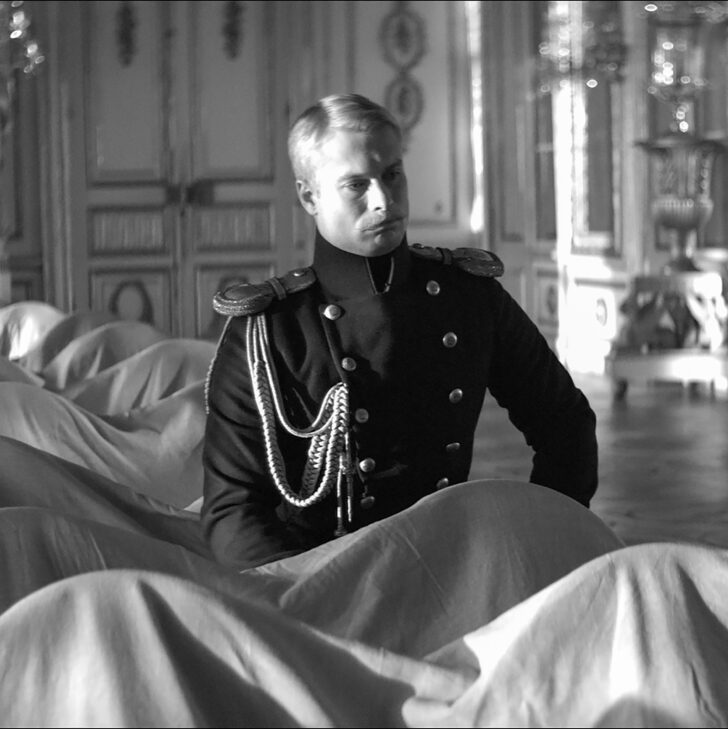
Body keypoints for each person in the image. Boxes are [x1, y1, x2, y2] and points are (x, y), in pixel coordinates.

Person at [201, 93, 598, 569]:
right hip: (317, 575)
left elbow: (564, 423)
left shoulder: (468, 296)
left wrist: (542, 541)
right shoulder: (270, 331)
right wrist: (306, 597)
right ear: (309, 197)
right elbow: (233, 510)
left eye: (392, 174)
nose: (384, 201)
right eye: (356, 185)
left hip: (450, 565)